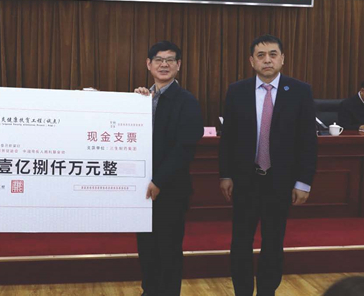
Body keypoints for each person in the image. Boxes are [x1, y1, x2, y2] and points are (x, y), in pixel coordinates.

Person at [219, 34, 318, 296]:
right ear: (251, 61)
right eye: (261, 55)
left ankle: (267, 291)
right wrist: (225, 174)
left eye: (273, 54)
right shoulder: (237, 91)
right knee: (240, 242)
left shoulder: (300, 91)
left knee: (273, 242)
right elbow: (228, 138)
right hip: (245, 180)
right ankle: (242, 291)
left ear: (282, 59)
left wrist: (303, 181)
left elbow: (308, 141)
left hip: (280, 181)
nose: (267, 60)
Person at [134, 41, 204, 296]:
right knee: (146, 249)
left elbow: (185, 148)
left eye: (170, 60)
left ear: (178, 65)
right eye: (158, 59)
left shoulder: (187, 101)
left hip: (170, 189)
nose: (164, 64)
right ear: (148, 64)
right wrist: (134, 104)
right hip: (141, 190)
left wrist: (159, 180)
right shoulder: (140, 99)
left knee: (169, 251)